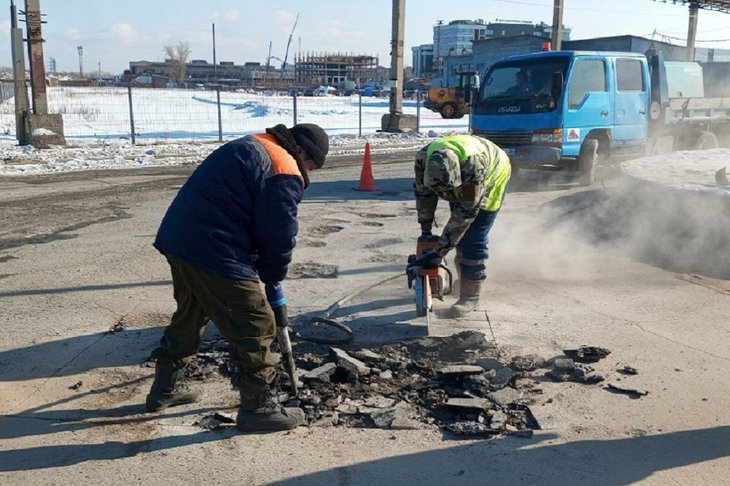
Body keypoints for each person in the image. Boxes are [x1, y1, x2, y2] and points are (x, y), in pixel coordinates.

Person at [146, 122, 329, 433]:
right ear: (301, 152)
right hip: (213, 246)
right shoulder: (284, 167)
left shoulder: (254, 144)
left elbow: (242, 205)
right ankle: (259, 407)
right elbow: (278, 235)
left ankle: (165, 387)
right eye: (311, 164)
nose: (308, 170)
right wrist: (272, 274)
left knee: (192, 313)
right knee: (256, 322)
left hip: (179, 238)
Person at [412, 134, 511, 317]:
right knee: (458, 235)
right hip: (463, 173)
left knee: (473, 236)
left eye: (448, 191)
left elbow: (465, 216)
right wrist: (425, 231)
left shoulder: (474, 169)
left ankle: (471, 296)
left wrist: (439, 252)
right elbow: (424, 195)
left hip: (494, 171)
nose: (445, 195)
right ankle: (464, 278)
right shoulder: (423, 159)